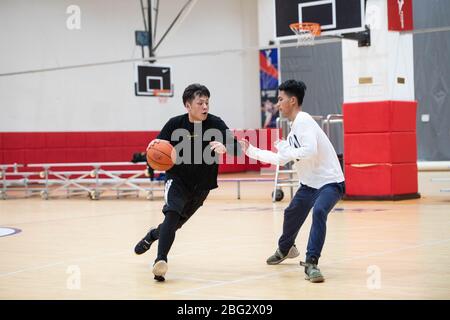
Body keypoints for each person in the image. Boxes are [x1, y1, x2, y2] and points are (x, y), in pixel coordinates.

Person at [240, 80, 345, 283]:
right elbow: (281, 159)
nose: (278, 104)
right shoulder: (294, 129)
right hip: (309, 185)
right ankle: (286, 248)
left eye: (280, 99)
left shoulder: (303, 120)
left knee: (320, 211)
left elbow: (310, 150)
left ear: (293, 100)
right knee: (291, 213)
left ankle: (311, 263)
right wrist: (251, 151)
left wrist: (287, 150)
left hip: (330, 183)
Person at [134, 83, 241, 282]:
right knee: (172, 214)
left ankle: (152, 235)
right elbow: (158, 148)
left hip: (202, 186)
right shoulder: (175, 124)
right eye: (200, 103)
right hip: (178, 180)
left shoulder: (216, 123)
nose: (205, 107)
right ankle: (160, 262)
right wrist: (150, 149)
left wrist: (226, 147)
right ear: (188, 105)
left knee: (174, 225)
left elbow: (238, 148)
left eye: (207, 102)